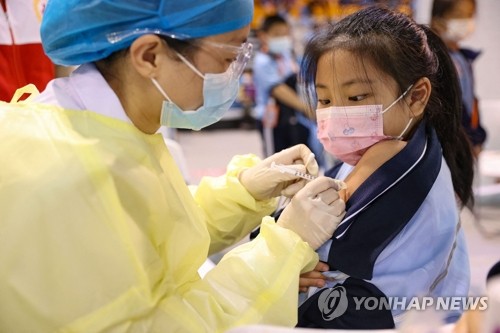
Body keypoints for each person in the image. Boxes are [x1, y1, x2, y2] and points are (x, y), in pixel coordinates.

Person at [0, 1, 347, 332]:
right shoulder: (73, 178)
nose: (233, 75)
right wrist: (282, 248)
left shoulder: (100, 130)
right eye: (227, 56)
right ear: (149, 56)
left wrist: (243, 192)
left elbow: (145, 231)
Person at [295, 6, 474, 329]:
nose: (336, 115)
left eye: (356, 97)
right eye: (324, 101)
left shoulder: (394, 167)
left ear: (416, 96)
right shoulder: (406, 144)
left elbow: (316, 261)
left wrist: (281, 266)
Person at [252, 14, 323, 167]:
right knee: (279, 163)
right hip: (274, 121)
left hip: (294, 117)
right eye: (277, 34)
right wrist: (306, 108)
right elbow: (278, 89)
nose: (283, 38)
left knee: (301, 161)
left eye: (285, 34)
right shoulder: (262, 61)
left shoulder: (287, 56)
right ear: (263, 36)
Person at [431, 0, 487, 158]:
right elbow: (450, 106)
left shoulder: (463, 58)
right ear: (438, 19)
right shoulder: (436, 59)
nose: (465, 21)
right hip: (450, 147)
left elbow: (470, 102)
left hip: (467, 144)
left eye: (469, 15)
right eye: (457, 15)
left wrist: (478, 135)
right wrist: (469, 139)